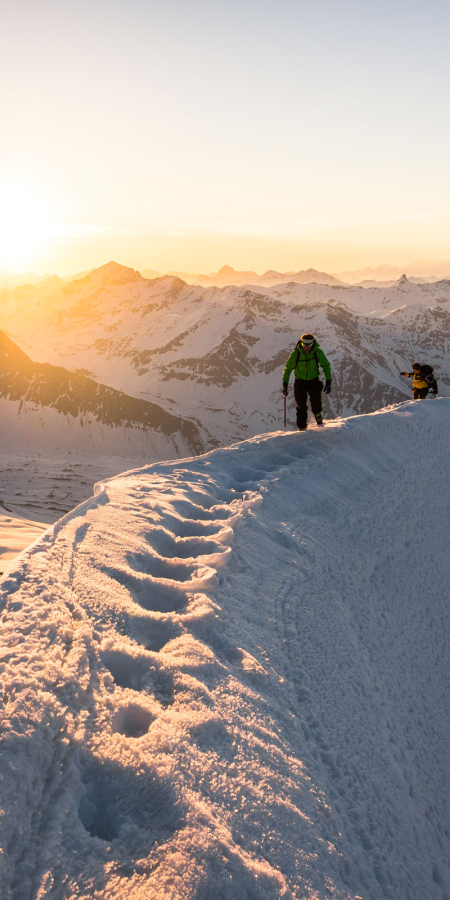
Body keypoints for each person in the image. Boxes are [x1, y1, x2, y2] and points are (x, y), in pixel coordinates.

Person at [282, 333, 332, 430]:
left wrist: (328, 381)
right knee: (300, 405)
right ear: (301, 343)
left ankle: (318, 417)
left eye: (309, 345)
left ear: (312, 344)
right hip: (300, 382)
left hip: (313, 381)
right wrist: (285, 384)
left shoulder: (317, 352)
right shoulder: (296, 354)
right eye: (305, 345)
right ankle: (302, 427)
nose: (307, 348)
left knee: (316, 401)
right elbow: (288, 369)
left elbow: (326, 366)